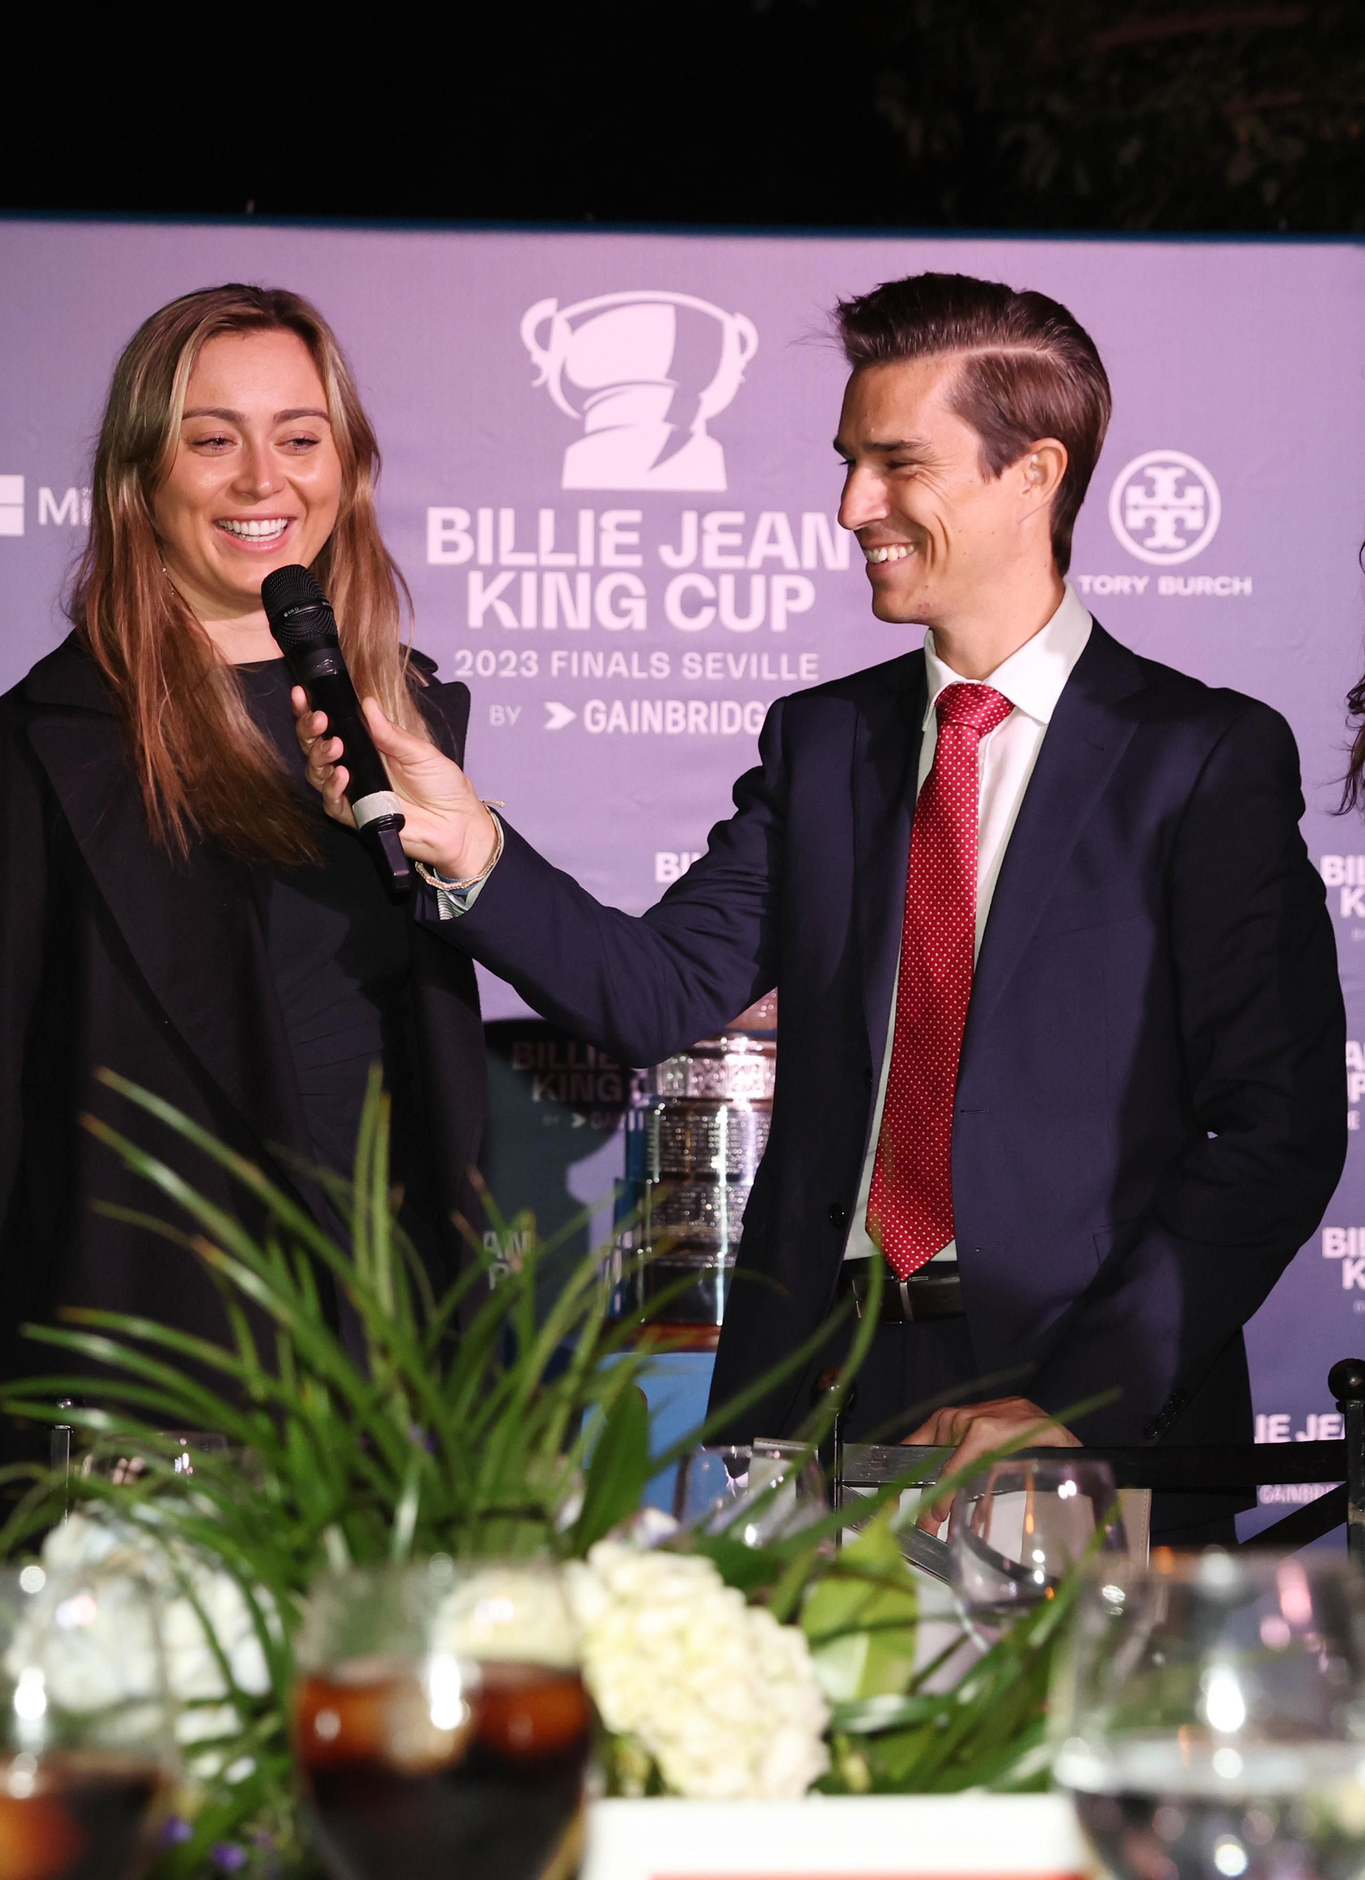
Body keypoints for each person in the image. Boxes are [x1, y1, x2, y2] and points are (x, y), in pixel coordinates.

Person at [297, 272, 1345, 1545]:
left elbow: (1275, 1128)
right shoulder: (825, 742)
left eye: (897, 464)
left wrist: (1068, 1400)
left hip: (1086, 1422)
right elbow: (654, 991)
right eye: (850, 463)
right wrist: (469, 844)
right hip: (817, 1406)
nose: (853, 505)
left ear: (1033, 474)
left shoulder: (1198, 755)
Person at [0, 285, 485, 1503]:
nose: (264, 478)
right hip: (138, 1400)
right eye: (213, 439)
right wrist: (75, 1318)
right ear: (141, 478)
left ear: (347, 467)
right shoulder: (30, 757)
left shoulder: (411, 735)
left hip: (393, 1390)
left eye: (299, 437)